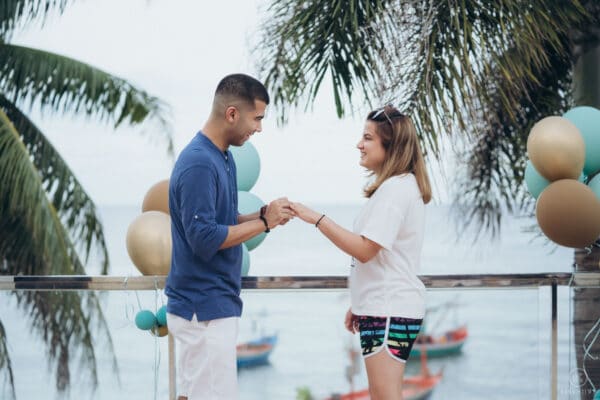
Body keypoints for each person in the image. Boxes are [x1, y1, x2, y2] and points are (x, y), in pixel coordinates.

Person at [165, 73, 293, 400]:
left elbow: (222, 218)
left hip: (214, 303)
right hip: (202, 307)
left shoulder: (222, 156)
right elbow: (204, 237)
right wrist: (264, 225)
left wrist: (262, 215)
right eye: (257, 118)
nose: (260, 128)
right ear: (232, 114)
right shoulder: (199, 164)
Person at [291, 105, 432, 400]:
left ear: (389, 146)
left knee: (384, 396)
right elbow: (382, 257)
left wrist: (316, 218)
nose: (359, 144)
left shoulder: (395, 191)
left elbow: (366, 249)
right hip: (384, 308)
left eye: (367, 138)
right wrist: (360, 301)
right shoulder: (398, 188)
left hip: (389, 310)